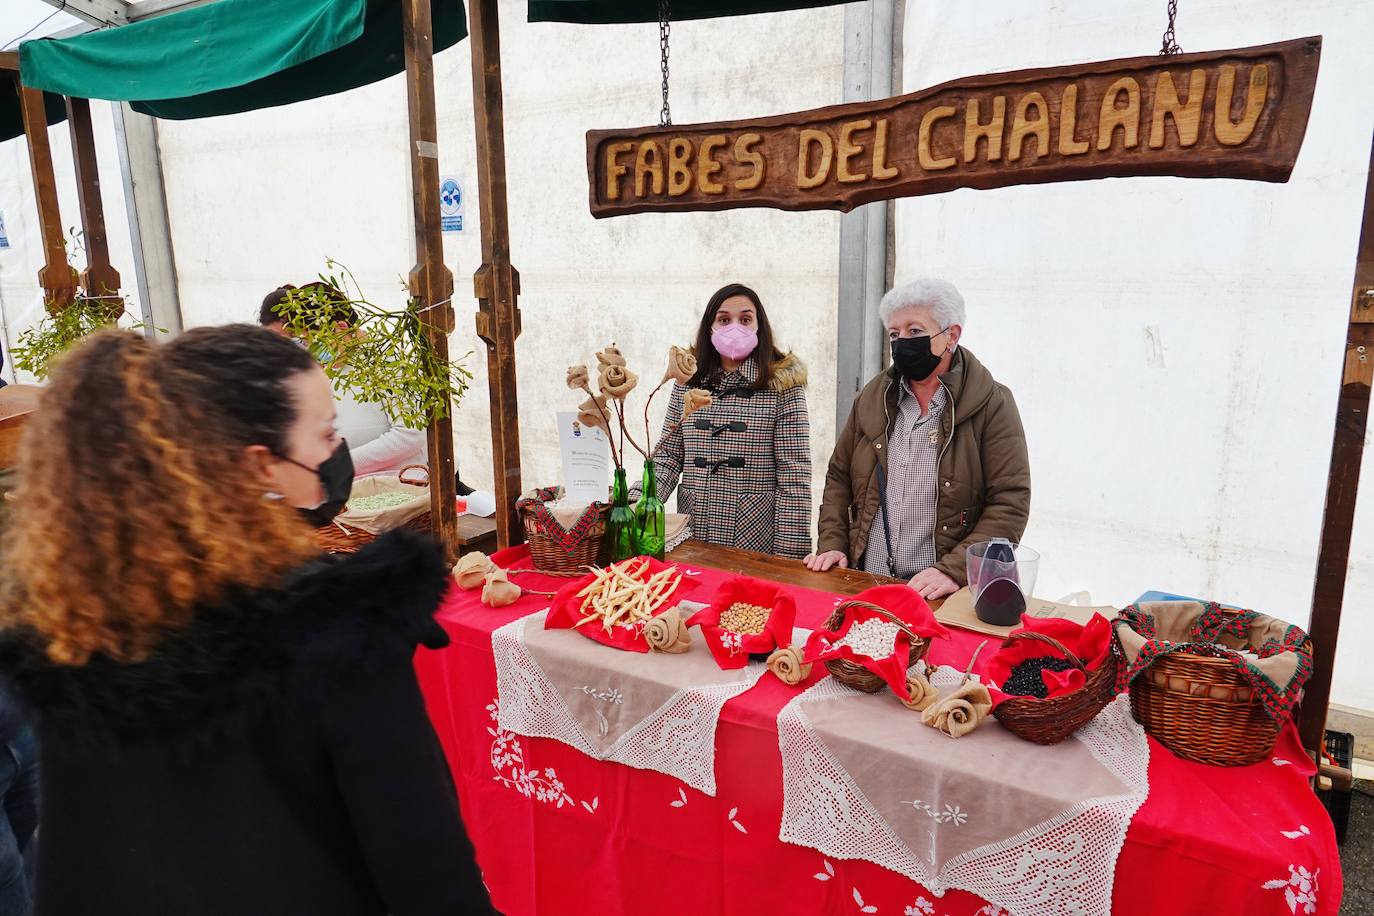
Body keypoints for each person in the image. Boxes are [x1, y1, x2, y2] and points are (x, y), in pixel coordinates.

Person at [0, 326, 495, 915]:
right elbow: (431, 879)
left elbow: (72, 874)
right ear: (261, 465)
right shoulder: (337, 633)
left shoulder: (83, 629)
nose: (335, 452)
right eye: (326, 433)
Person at [805, 278, 1030, 600]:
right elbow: (840, 477)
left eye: (915, 331)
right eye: (894, 334)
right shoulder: (873, 398)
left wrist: (954, 570)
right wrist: (833, 543)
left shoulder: (992, 403)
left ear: (951, 336)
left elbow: (1010, 501)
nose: (902, 342)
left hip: (944, 592)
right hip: (869, 580)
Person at [648, 283, 812, 558]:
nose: (734, 326)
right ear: (710, 327)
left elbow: (793, 476)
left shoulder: (783, 386)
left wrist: (789, 559)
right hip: (694, 530)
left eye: (745, 319)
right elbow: (668, 456)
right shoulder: (687, 381)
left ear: (759, 327)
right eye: (724, 319)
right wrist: (636, 502)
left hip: (755, 537)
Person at [260, 284, 429, 479]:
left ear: (340, 328)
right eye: (302, 342)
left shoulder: (387, 362)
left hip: (402, 486)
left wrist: (336, 467)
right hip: (352, 494)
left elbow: (410, 435)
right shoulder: (322, 368)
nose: (306, 350)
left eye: (309, 341)